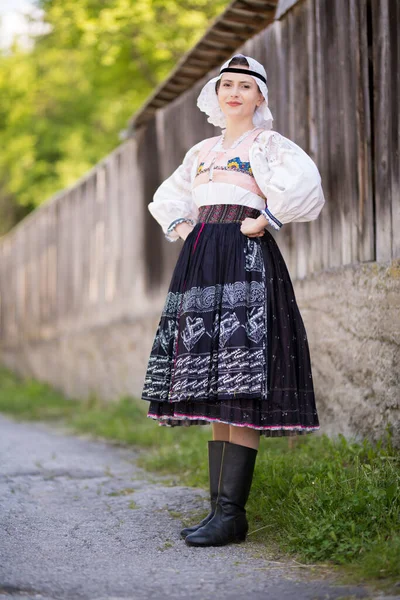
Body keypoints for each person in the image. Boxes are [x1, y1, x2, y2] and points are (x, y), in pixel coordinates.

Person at [141, 54, 325, 547]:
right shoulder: (200, 151)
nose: (235, 93)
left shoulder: (267, 144)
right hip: (203, 261)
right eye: (228, 85)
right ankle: (220, 513)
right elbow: (169, 195)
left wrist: (266, 219)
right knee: (215, 377)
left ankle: (230, 514)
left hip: (245, 258)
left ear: (260, 96)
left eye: (246, 85)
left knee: (237, 376)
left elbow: (307, 186)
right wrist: (183, 227)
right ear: (216, 95)